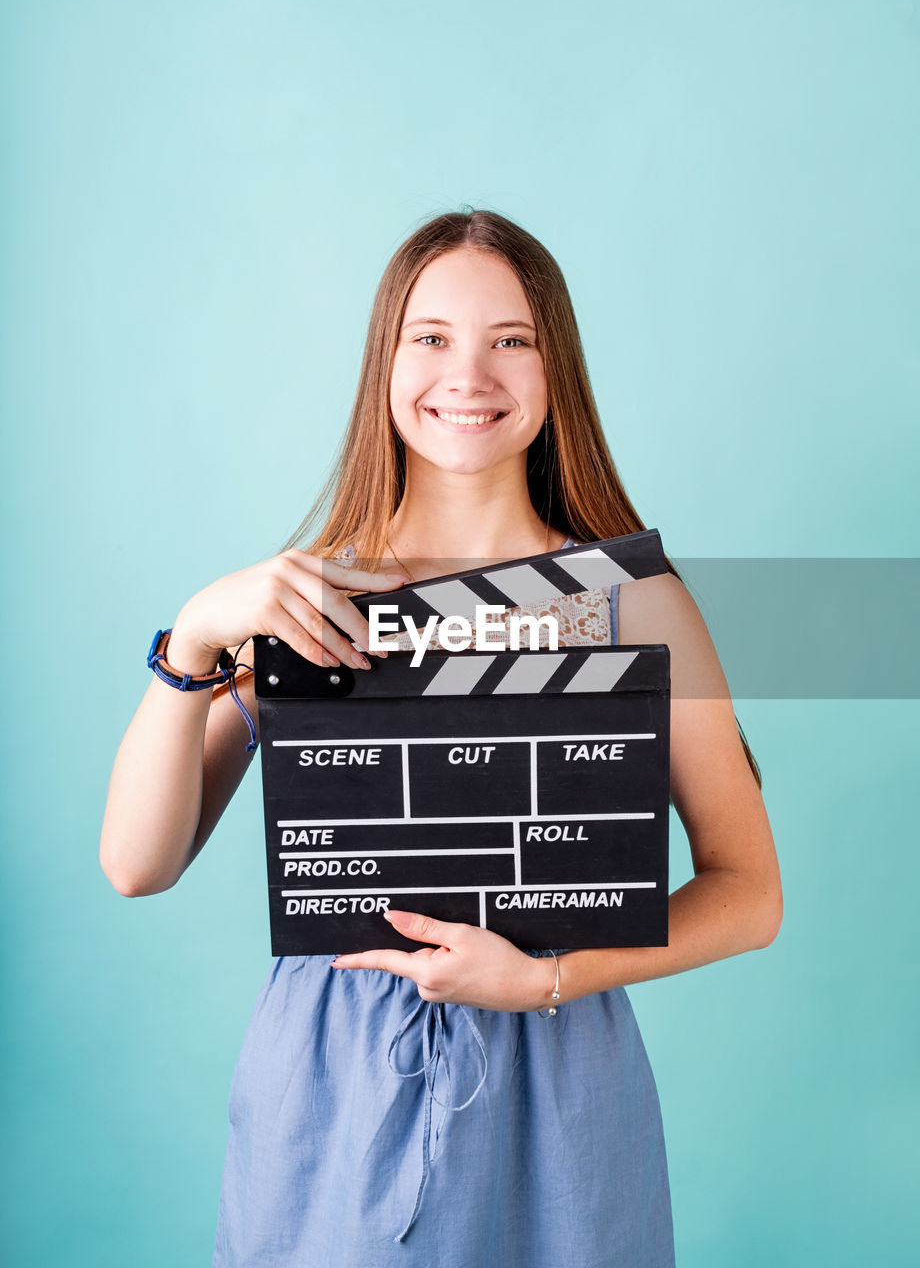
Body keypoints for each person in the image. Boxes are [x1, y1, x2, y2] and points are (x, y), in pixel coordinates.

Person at [100, 210, 782, 1267]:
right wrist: (194, 631)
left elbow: (749, 890)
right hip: (327, 1083)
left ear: (555, 368)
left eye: (510, 338)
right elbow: (137, 862)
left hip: (553, 1074)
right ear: (385, 361)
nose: (468, 371)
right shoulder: (311, 597)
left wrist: (545, 978)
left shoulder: (631, 604)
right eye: (430, 336)